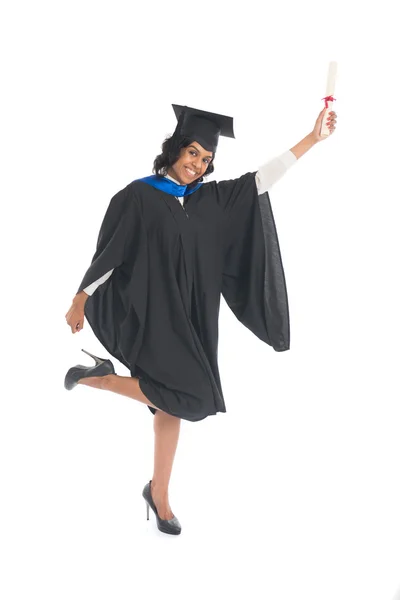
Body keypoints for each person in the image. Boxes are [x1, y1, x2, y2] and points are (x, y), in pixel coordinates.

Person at [64, 104, 337, 534]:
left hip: (192, 318)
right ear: (174, 150)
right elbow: (111, 252)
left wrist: (312, 139)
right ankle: (99, 380)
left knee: (170, 406)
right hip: (154, 316)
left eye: (206, 158)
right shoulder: (140, 196)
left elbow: (262, 180)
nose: (197, 164)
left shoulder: (211, 200)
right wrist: (82, 296)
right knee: (188, 397)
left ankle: (158, 494)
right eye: (192, 153)